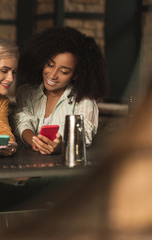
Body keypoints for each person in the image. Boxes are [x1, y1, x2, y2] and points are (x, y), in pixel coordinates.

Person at [13, 26, 108, 155]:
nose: (52, 75)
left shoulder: (83, 100)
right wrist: (35, 141)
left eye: (64, 71)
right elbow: (22, 120)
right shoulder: (26, 93)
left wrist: (62, 146)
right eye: (50, 65)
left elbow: (83, 135)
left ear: (76, 75)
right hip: (30, 168)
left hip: (64, 170)